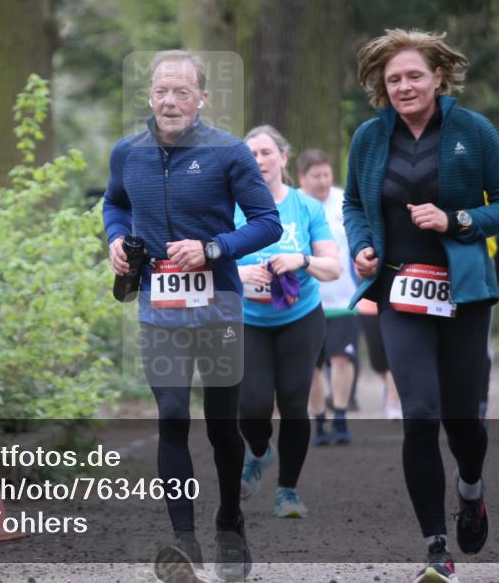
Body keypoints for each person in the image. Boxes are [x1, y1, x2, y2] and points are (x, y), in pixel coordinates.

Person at [343, 29, 499, 583]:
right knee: (419, 414)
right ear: (382, 86)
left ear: (439, 76)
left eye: (414, 75)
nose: (404, 86)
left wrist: (458, 220)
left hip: (462, 291)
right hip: (400, 291)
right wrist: (362, 248)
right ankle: (435, 548)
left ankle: (471, 488)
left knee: (462, 421)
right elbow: (353, 204)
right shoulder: (369, 139)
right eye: (393, 79)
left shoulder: (473, 130)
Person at [103, 51, 281, 583]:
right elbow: (114, 204)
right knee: (173, 415)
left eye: (182, 92)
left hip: (218, 304)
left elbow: (267, 223)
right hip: (158, 305)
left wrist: (214, 248)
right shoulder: (127, 153)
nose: (170, 101)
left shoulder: (228, 152)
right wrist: (114, 239)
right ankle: (182, 541)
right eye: (161, 91)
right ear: (150, 96)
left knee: (222, 426)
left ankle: (230, 519)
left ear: (202, 98)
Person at [234, 127, 340, 518]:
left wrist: (302, 260)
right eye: (251, 155)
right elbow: (210, 261)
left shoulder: (305, 207)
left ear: (282, 158)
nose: (258, 161)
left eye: (265, 153)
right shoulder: (229, 207)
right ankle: (259, 452)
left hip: (300, 317)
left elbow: (333, 266)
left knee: (295, 399)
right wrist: (240, 274)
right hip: (249, 319)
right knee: (252, 404)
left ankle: (288, 492)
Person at [296, 148, 360, 443]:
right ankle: (319, 420)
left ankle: (341, 417)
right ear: (301, 178)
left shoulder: (345, 201)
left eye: (326, 174)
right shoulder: (293, 203)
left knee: (342, 359)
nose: (322, 181)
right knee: (311, 366)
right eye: (315, 176)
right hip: (304, 300)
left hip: (344, 297)